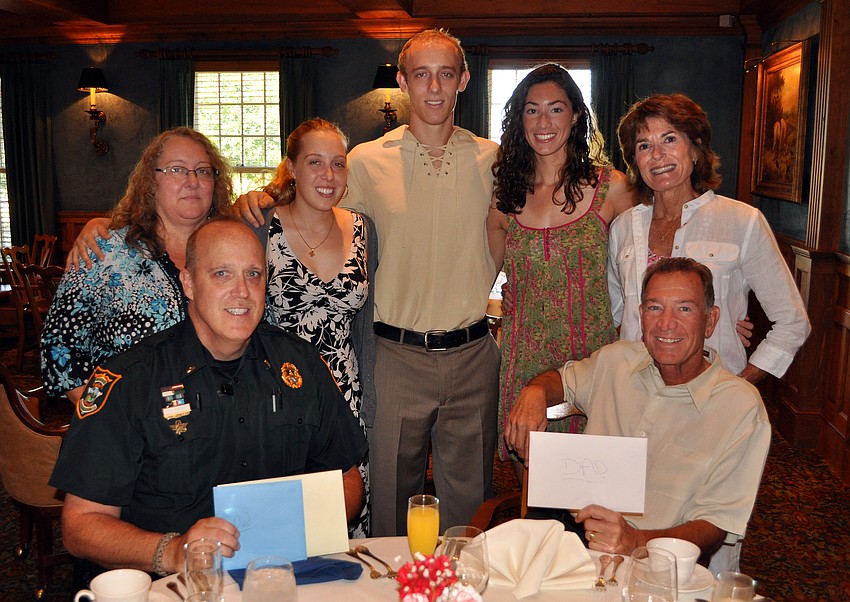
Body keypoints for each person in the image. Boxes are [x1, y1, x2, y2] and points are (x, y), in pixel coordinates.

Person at [239, 29, 500, 536]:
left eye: (446, 74)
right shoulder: (363, 160)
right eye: (420, 74)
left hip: (473, 355)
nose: (433, 87)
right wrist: (258, 198)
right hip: (395, 357)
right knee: (388, 503)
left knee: (468, 510)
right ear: (402, 82)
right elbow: (312, 197)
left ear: (463, 80)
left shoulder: (493, 160)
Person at [50, 218, 367, 576]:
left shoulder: (302, 366)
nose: (242, 291)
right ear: (188, 282)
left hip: (280, 577)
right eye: (221, 274)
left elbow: (347, 480)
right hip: (170, 583)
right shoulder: (130, 380)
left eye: (253, 274)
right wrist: (171, 551)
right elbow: (81, 525)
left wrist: (298, 528)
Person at [505, 257, 771, 573]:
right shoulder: (616, 362)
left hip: (655, 560)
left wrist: (635, 541)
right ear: (641, 315)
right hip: (568, 535)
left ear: (710, 321)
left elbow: (713, 528)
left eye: (684, 309)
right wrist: (534, 391)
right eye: (654, 308)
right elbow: (559, 381)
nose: (666, 323)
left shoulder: (739, 408)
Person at [486, 64, 634, 481]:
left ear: (575, 116)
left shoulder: (612, 188)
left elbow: (659, 255)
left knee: (596, 498)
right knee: (534, 498)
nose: (544, 122)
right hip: (523, 362)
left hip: (594, 360)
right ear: (519, 121)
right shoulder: (505, 199)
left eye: (556, 109)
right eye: (531, 111)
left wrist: (719, 304)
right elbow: (478, 274)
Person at [609, 93, 810, 384]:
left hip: (714, 395)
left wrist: (739, 384)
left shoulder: (742, 221)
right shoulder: (623, 227)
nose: (657, 155)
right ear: (634, 160)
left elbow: (792, 321)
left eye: (669, 139)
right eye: (644, 145)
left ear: (695, 149)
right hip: (636, 391)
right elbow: (617, 317)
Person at [248, 118, 377, 537]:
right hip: (276, 391)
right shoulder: (261, 225)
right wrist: (100, 225)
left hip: (344, 390)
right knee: (282, 521)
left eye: (338, 164)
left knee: (340, 517)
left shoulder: (362, 228)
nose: (328, 176)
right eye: (315, 162)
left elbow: (366, 323)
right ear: (292, 167)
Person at [41, 127, 233, 403]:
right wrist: (101, 414)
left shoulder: (232, 250)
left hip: (220, 421)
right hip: (131, 427)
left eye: (203, 170)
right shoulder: (103, 250)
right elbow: (60, 345)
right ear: (150, 182)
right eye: (177, 170)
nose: (192, 181)